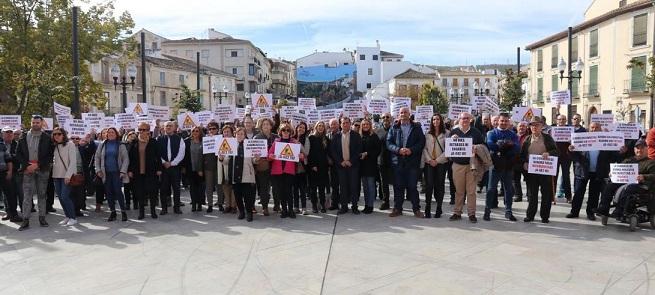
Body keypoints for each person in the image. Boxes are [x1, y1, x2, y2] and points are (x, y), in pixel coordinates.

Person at [567, 122, 621, 220]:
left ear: (600, 129)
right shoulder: (582, 139)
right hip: (583, 171)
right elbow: (575, 157)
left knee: (594, 194)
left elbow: (613, 158)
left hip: (598, 172)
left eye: (596, 128)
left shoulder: (605, 141)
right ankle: (574, 212)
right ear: (589, 129)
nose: (594, 129)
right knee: (578, 193)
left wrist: (620, 151)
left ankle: (590, 212)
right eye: (592, 127)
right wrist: (571, 150)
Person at [596, 138, 655, 219]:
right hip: (625, 182)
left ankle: (619, 210)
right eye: (637, 148)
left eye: (642, 148)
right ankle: (603, 208)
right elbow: (619, 168)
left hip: (641, 185)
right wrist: (613, 172)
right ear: (634, 150)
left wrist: (644, 176)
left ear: (646, 149)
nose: (639, 150)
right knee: (610, 185)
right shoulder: (629, 160)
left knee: (628, 188)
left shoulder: (651, 162)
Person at [386, 107, 426, 218]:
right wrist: (398, 150)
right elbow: (388, 143)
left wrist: (411, 150)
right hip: (398, 162)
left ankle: (416, 209)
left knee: (412, 186)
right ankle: (398, 209)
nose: (403, 114)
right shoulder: (394, 128)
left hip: (412, 162)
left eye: (405, 112)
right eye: (401, 113)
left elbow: (421, 142)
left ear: (409, 114)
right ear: (399, 115)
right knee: (398, 186)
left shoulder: (416, 127)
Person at [17, 115, 53, 231]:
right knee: (27, 196)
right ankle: (25, 220)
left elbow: (49, 155)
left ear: (41, 123)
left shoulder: (47, 138)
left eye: (37, 122)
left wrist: (37, 165)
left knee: (42, 195)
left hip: (42, 169)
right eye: (33, 122)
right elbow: (18, 154)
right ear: (30, 123)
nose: (35, 124)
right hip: (28, 170)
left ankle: (42, 218)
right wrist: (27, 166)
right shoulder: (23, 136)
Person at [520, 116, 558, 223]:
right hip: (531, 172)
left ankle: (545, 216)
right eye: (532, 125)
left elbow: (556, 151)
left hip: (545, 171)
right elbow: (522, 156)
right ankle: (530, 215)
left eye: (537, 125)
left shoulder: (547, 138)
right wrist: (524, 163)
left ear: (542, 126)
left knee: (546, 195)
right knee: (532, 195)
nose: (534, 127)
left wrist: (549, 153)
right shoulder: (527, 139)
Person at [448, 112, 485, 223]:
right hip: (457, 165)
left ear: (470, 120)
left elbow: (483, 145)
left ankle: (471, 214)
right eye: (462, 118)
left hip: (471, 165)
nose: (464, 120)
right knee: (459, 191)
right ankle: (457, 212)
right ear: (459, 120)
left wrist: (476, 147)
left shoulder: (476, 132)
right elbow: (448, 147)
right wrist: (452, 140)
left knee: (471, 191)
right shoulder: (453, 132)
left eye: (467, 118)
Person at [483, 113, 519, 221]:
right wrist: (505, 145)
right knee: (490, 189)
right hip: (495, 165)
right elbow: (490, 144)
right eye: (502, 121)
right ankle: (487, 210)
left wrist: (500, 147)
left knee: (508, 190)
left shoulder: (512, 134)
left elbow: (517, 148)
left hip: (508, 165)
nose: (504, 123)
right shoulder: (492, 133)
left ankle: (508, 211)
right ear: (498, 121)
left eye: (506, 121)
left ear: (509, 122)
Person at [128, 122, 162, 219]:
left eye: (144, 130)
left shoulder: (153, 142)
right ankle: (141, 213)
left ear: (148, 131)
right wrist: (130, 170)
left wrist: (159, 168)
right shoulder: (134, 142)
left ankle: (153, 211)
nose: (142, 132)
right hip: (138, 172)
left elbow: (158, 156)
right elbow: (130, 158)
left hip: (151, 171)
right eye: (140, 130)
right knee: (140, 193)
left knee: (152, 192)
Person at [329, 117, 363, 215]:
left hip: (353, 165)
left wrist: (351, 161)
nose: (345, 125)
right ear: (340, 124)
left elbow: (359, 149)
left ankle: (355, 207)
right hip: (341, 166)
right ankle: (344, 207)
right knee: (343, 187)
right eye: (343, 123)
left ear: (350, 123)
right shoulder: (336, 136)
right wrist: (341, 162)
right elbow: (333, 151)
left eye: (347, 123)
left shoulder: (356, 135)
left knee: (354, 186)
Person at [95, 127, 130, 222]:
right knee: (109, 193)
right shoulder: (102, 145)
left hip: (117, 173)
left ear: (116, 134)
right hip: (105, 173)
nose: (110, 134)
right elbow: (97, 158)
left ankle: (123, 212)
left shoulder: (120, 145)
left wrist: (123, 171)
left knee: (118, 192)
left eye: (112, 132)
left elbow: (126, 159)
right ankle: (113, 212)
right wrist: (98, 170)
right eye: (109, 132)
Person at [268, 123, 303, 218]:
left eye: (288, 130)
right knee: (281, 191)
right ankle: (284, 210)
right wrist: (271, 156)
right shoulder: (276, 142)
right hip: (278, 171)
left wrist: (301, 156)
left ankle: (291, 210)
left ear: (290, 132)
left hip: (289, 171)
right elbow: (269, 155)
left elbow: (302, 157)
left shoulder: (294, 143)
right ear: (281, 132)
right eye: (284, 130)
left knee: (289, 191)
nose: (286, 132)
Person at [421, 114, 448, 218]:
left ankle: (439, 208)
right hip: (429, 163)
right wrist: (430, 160)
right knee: (429, 186)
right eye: (433, 119)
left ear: (441, 121)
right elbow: (424, 149)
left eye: (437, 119)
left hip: (441, 163)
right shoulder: (427, 133)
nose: (435, 121)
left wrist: (437, 160)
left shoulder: (446, 134)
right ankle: (427, 208)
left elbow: (448, 150)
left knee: (439, 186)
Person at [51, 127, 79, 226]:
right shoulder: (54, 146)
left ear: (63, 134)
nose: (56, 136)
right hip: (56, 175)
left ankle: (73, 217)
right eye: (54, 134)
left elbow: (73, 161)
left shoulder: (70, 144)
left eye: (59, 134)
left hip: (66, 175)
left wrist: (68, 175)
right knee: (61, 198)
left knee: (65, 196)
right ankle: (67, 216)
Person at [228, 127, 257, 221]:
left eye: (242, 134)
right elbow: (226, 161)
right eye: (238, 134)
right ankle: (241, 211)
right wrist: (221, 157)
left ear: (245, 135)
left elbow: (254, 160)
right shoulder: (231, 145)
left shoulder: (250, 145)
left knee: (248, 195)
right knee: (237, 195)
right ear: (235, 135)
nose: (240, 136)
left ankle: (249, 212)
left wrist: (257, 158)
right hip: (235, 175)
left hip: (247, 174)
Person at [157, 121, 185, 215]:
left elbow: (181, 153)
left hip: (175, 168)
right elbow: (157, 153)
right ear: (163, 128)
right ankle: (164, 208)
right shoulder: (159, 139)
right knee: (163, 189)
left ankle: (176, 208)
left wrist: (172, 163)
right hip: (163, 168)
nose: (168, 127)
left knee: (176, 188)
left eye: (170, 126)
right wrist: (164, 162)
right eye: (166, 126)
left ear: (174, 128)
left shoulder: (179, 139)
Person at [253, 118, 279, 215]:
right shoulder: (257, 138)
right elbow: (254, 153)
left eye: (268, 124)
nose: (266, 126)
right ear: (261, 126)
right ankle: (265, 207)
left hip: (275, 166)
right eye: (264, 124)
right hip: (263, 166)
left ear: (271, 126)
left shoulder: (276, 137)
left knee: (276, 187)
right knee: (264, 188)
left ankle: (277, 205)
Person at [307, 121, 330, 213]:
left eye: (322, 126)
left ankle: (322, 204)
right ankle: (314, 205)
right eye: (319, 126)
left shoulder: (326, 139)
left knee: (322, 187)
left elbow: (327, 153)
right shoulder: (311, 138)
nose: (321, 127)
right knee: (313, 188)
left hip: (323, 167)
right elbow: (309, 153)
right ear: (316, 127)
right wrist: (312, 165)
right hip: (313, 167)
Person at [359, 118, 381, 214]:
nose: (365, 126)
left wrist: (367, 153)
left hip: (371, 164)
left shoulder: (374, 136)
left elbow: (378, 150)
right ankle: (366, 205)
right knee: (365, 187)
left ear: (370, 125)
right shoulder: (359, 136)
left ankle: (370, 206)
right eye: (363, 124)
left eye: (367, 124)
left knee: (371, 186)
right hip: (362, 165)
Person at [1, 126, 21, 222]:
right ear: (2, 134)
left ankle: (14, 214)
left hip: (12, 173)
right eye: (6, 132)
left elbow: (13, 159)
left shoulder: (17, 145)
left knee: (12, 194)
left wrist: (9, 170)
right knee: (6, 195)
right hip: (4, 173)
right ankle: (8, 213)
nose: (9, 134)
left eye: (10, 132)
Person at [183, 126, 204, 212]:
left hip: (200, 169)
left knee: (200, 187)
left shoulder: (203, 142)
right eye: (193, 131)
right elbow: (184, 155)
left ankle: (199, 204)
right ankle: (194, 204)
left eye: (197, 131)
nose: (195, 133)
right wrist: (183, 167)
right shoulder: (187, 142)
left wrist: (201, 169)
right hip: (190, 168)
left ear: (200, 132)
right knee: (192, 187)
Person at [375, 113, 394, 210]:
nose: (385, 119)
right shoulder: (378, 131)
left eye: (387, 117)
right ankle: (385, 201)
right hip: (382, 160)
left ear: (391, 119)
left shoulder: (395, 130)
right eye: (383, 117)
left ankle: (398, 202)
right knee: (384, 183)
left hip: (394, 160)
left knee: (396, 182)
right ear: (381, 119)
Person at [218, 125, 238, 214]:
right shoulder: (219, 142)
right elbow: (219, 156)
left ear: (232, 132)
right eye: (224, 132)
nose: (226, 133)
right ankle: (227, 205)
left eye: (228, 131)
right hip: (223, 167)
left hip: (233, 167)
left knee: (234, 188)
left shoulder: (236, 142)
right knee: (225, 187)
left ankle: (234, 206)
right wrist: (221, 158)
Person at [553, 114, 573, 202]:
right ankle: (551, 196)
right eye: (560, 119)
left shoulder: (570, 130)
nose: (561, 121)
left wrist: (571, 142)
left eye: (563, 119)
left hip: (566, 156)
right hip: (554, 156)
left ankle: (568, 196)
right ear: (556, 120)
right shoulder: (552, 130)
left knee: (566, 176)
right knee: (554, 176)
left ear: (566, 120)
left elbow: (574, 143)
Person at [203, 121, 220, 213]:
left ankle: (220, 203)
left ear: (217, 129)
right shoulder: (205, 139)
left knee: (219, 186)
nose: (212, 130)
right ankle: (210, 204)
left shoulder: (221, 138)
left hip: (219, 165)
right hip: (208, 166)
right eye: (210, 129)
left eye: (214, 128)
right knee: (209, 187)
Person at [292, 122, 309, 215]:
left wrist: (299, 144)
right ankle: (296, 207)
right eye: (300, 127)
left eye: (303, 128)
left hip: (302, 167)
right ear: (296, 128)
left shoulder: (306, 139)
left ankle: (304, 208)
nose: (301, 129)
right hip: (292, 168)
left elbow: (306, 152)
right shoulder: (291, 138)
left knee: (302, 189)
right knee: (294, 189)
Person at [513, 121, 530, 202]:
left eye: (523, 126)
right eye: (520, 126)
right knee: (515, 179)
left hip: (525, 162)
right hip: (515, 161)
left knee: (528, 179)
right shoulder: (513, 136)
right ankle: (518, 195)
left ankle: (529, 195)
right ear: (517, 127)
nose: (521, 128)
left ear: (526, 128)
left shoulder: (529, 137)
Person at [326, 118, 341, 211]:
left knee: (343, 185)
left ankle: (343, 203)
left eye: (335, 124)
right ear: (329, 126)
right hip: (332, 164)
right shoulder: (327, 136)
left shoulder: (342, 135)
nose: (334, 126)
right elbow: (325, 150)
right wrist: (328, 159)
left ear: (338, 125)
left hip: (341, 164)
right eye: (332, 124)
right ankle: (334, 203)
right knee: (334, 185)